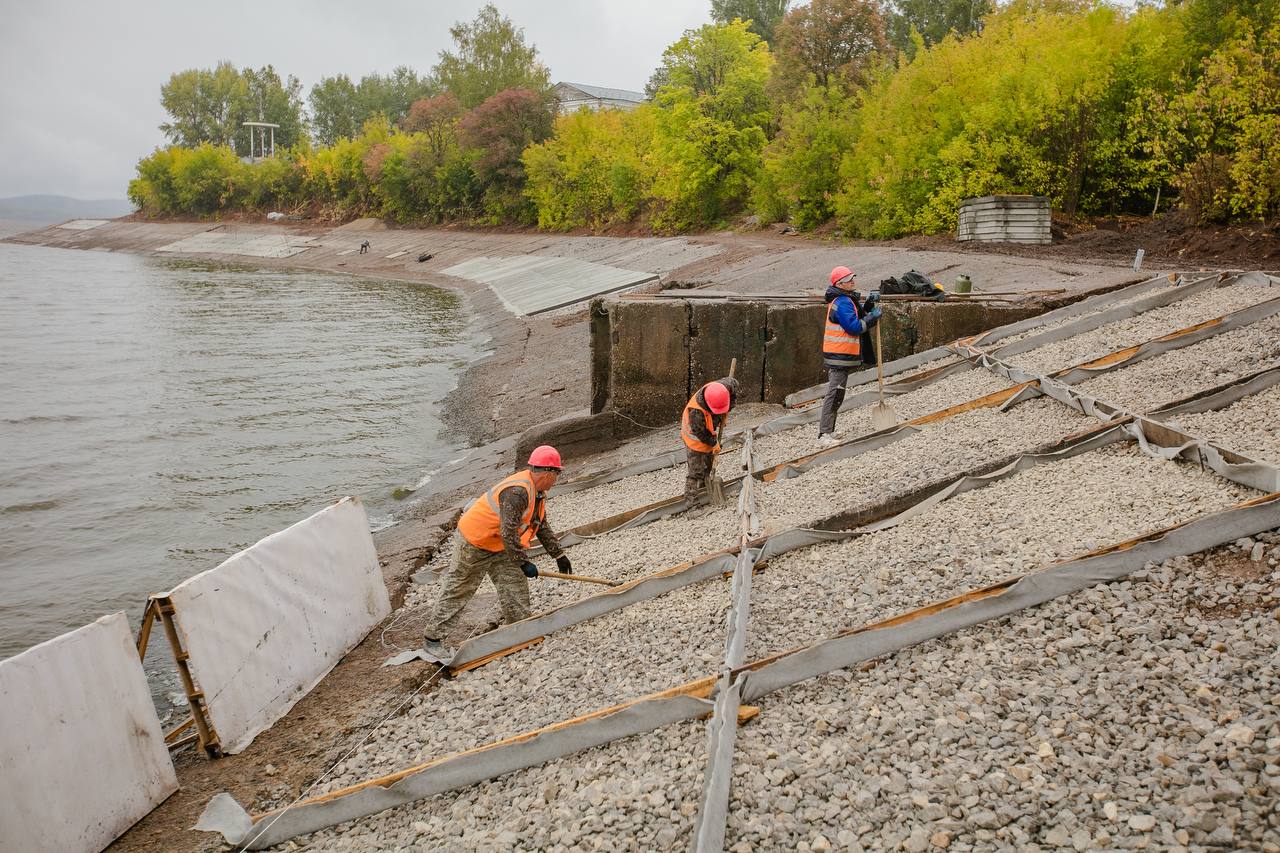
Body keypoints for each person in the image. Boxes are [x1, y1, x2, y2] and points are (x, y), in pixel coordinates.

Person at [423, 445, 572, 658]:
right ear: (548, 473)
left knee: (514, 585)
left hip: (501, 545)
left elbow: (540, 523)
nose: (557, 479)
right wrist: (523, 562)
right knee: (460, 587)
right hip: (475, 542)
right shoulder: (518, 492)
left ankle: (519, 629)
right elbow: (508, 531)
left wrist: (558, 555)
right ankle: (433, 639)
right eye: (557, 474)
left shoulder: (538, 492)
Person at [818, 266, 881, 444]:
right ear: (840, 284)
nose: (853, 281)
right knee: (834, 393)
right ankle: (824, 434)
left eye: (852, 277)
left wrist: (868, 304)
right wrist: (873, 318)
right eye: (849, 279)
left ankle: (829, 430)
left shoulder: (845, 299)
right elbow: (854, 327)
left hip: (840, 355)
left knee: (837, 393)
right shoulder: (843, 302)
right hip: (839, 356)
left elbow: (857, 314)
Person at [681, 376, 740, 504]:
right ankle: (691, 505)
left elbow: (734, 383)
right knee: (695, 473)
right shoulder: (695, 414)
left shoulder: (726, 386)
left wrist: (729, 406)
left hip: (708, 428)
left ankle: (705, 484)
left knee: (709, 461)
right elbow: (701, 434)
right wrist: (714, 443)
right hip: (695, 440)